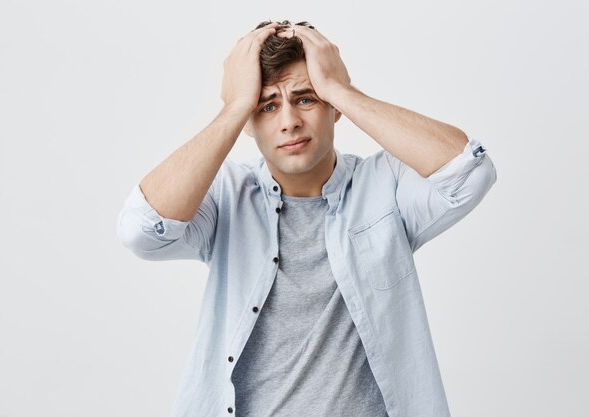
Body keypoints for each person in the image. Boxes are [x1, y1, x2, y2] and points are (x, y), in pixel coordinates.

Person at [117, 19, 497, 417]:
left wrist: (339, 88)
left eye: (305, 99)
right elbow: (140, 232)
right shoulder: (227, 194)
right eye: (267, 105)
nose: (289, 122)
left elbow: (471, 173)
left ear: (333, 109)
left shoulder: (385, 185)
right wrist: (233, 108)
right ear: (249, 121)